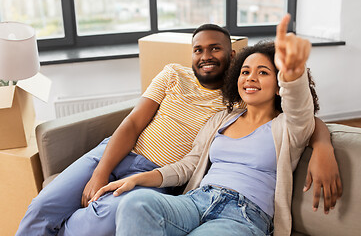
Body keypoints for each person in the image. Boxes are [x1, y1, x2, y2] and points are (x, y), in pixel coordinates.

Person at [17, 19, 340, 236]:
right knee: (53, 205)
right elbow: (174, 154)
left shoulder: (275, 120)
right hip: (181, 189)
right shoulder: (220, 117)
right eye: (246, 72)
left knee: (105, 213)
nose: (251, 78)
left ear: (230, 54)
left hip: (242, 211)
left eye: (264, 73)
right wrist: (124, 177)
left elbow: (303, 114)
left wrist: (292, 74)